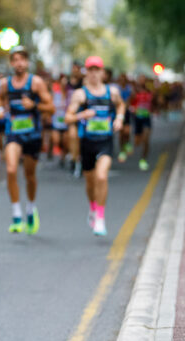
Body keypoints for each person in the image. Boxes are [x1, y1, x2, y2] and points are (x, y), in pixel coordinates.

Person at [65, 55, 125, 237]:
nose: (93, 73)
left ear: (102, 72)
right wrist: (82, 115)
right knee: (90, 182)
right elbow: (67, 117)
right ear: (86, 72)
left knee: (101, 176)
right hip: (87, 143)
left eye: (96, 70)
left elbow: (121, 105)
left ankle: (100, 217)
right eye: (90, 70)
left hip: (105, 141)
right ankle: (92, 207)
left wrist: (120, 118)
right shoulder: (80, 94)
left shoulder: (111, 92)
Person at [0, 46, 54, 234]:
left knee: (30, 175)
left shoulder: (35, 83)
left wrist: (34, 105)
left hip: (33, 134)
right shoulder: (6, 84)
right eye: (15, 60)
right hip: (13, 132)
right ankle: (16, 214)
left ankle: (30, 208)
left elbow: (51, 107)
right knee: (11, 169)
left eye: (22, 59)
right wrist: (0, 109)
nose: (18, 63)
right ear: (11, 63)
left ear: (27, 62)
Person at [131, 75, 155, 171]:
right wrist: (133, 109)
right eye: (140, 79)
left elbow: (154, 103)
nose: (142, 81)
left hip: (146, 118)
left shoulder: (150, 91)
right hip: (137, 118)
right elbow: (129, 103)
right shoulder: (135, 91)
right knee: (137, 142)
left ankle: (143, 159)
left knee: (146, 139)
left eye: (144, 80)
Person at [116, 73, 133, 163]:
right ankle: (122, 150)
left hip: (127, 112)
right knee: (121, 134)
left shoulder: (129, 88)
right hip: (119, 113)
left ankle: (127, 143)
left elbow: (131, 99)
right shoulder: (116, 89)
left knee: (127, 132)